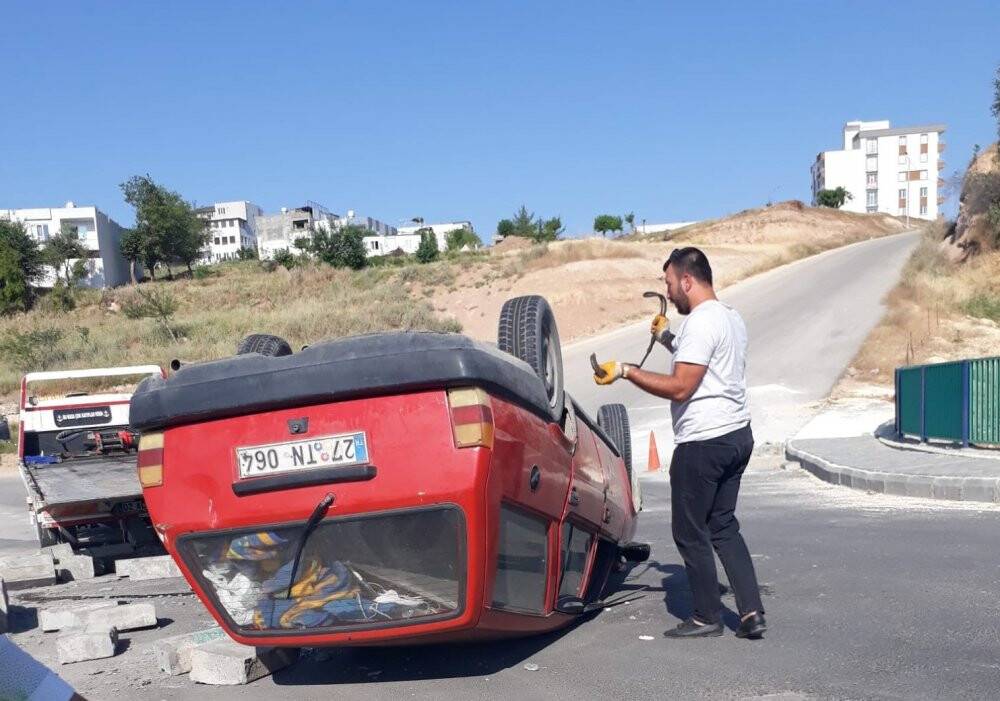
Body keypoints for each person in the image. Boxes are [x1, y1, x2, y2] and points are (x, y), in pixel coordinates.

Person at [593, 247, 766, 640]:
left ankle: (706, 617)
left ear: (687, 281)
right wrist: (665, 337)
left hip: (704, 442)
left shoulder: (701, 322)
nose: (669, 293)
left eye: (670, 284)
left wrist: (626, 371)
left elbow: (682, 386)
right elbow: (702, 359)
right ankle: (752, 613)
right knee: (723, 525)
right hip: (736, 435)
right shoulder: (729, 317)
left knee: (690, 532)